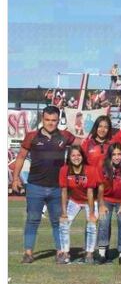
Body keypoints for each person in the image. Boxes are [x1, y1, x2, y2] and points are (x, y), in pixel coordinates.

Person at [11, 105, 76, 264]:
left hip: (57, 188)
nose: (50, 123)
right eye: (47, 120)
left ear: (58, 120)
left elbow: (83, 145)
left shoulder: (66, 136)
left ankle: (60, 252)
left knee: (57, 221)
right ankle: (28, 253)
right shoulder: (31, 136)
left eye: (54, 120)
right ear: (42, 119)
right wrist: (15, 178)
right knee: (32, 220)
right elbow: (20, 157)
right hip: (35, 186)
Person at [58, 146, 98, 264]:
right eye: (73, 155)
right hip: (74, 200)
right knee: (64, 223)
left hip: (90, 201)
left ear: (83, 156)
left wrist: (91, 213)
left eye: (79, 155)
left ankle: (89, 253)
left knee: (91, 225)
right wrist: (64, 213)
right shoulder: (64, 170)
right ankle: (65, 254)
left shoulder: (90, 170)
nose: (76, 158)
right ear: (69, 158)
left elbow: (90, 193)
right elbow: (64, 192)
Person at [96, 143, 121, 264]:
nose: (117, 157)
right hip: (106, 199)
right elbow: (100, 187)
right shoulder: (103, 166)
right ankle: (102, 253)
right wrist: (101, 205)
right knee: (104, 221)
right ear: (110, 156)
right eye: (114, 154)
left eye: (119, 154)